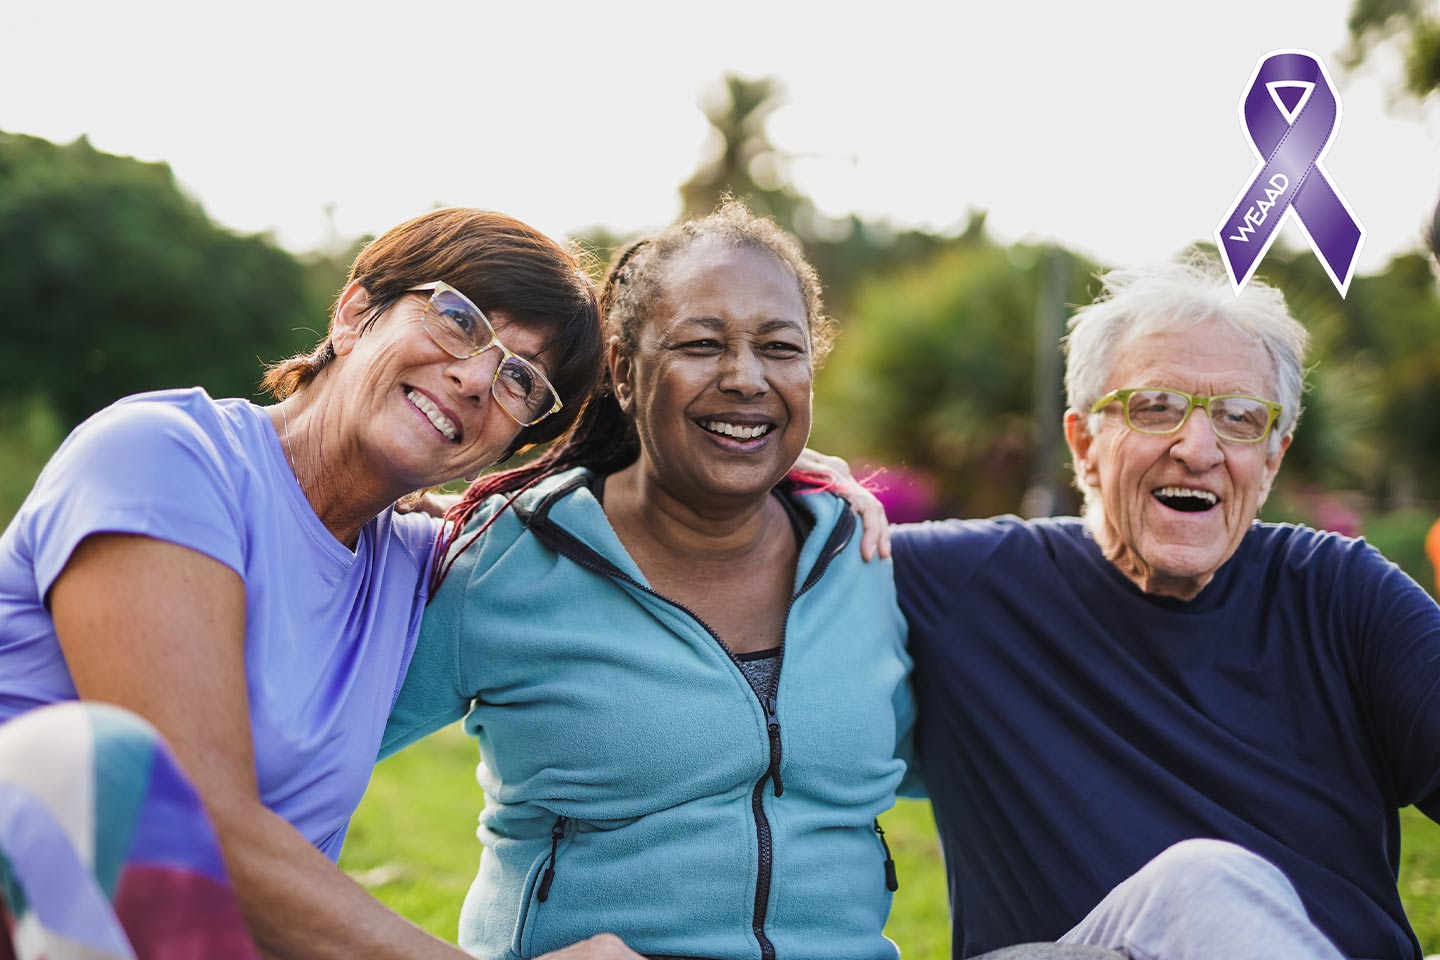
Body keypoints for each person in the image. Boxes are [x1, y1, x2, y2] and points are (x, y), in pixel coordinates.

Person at [0, 208, 640, 960]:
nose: (474, 379)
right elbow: (211, 833)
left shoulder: (419, 565)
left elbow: (639, 511)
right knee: (93, 757)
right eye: (459, 320)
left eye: (520, 380)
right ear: (354, 313)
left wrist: (797, 489)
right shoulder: (163, 457)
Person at [383, 202, 921, 960]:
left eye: (780, 348)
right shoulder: (503, 563)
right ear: (625, 372)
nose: (746, 378)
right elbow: (285, 776)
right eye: (702, 344)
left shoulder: (864, 559)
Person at [886, 261, 1440, 959]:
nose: (1198, 450)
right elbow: (739, 529)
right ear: (1084, 445)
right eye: (1155, 407)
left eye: (1240, 419)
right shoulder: (962, 585)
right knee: (1199, 887)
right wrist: (820, 485)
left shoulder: (1344, 596)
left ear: (1271, 462)